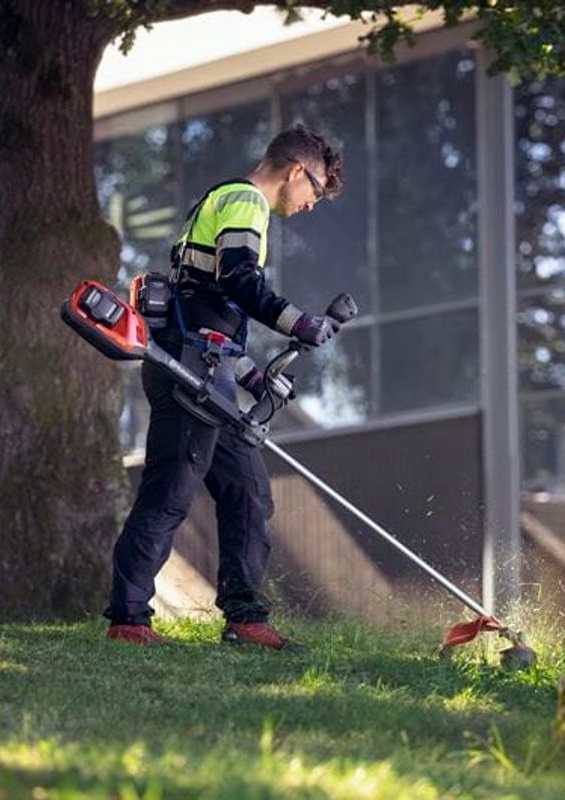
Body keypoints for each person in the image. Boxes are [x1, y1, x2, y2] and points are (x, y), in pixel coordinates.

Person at [105, 125, 345, 650]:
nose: (311, 205)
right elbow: (239, 280)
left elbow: (203, 310)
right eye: (316, 191)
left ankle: (244, 619)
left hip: (206, 373)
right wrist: (298, 323)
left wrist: (247, 373)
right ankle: (128, 620)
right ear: (296, 171)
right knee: (169, 495)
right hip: (188, 380)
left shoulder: (227, 202)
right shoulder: (244, 200)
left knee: (248, 493)